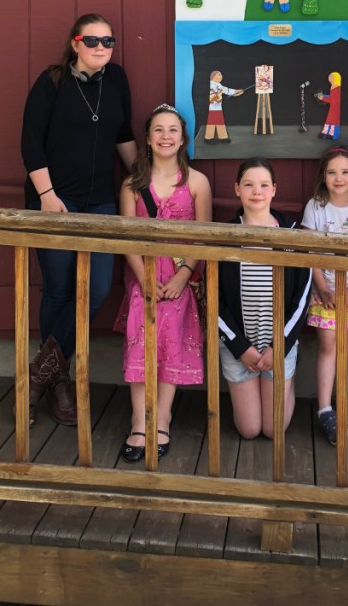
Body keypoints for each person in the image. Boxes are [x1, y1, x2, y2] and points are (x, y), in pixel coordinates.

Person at [21, 13, 137, 427]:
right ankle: (59, 383)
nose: (102, 48)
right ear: (75, 43)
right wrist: (47, 197)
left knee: (97, 287)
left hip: (101, 200)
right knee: (57, 288)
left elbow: (123, 133)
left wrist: (143, 179)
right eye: (93, 41)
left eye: (108, 41)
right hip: (55, 200)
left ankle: (35, 377)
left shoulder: (116, 79)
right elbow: (30, 142)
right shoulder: (51, 82)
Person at [115, 104, 212, 463]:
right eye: (159, 130)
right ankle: (139, 419)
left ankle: (164, 418)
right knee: (141, 341)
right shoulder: (133, 184)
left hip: (180, 278)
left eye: (173, 130)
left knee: (171, 340)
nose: (166, 136)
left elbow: (203, 236)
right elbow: (126, 237)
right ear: (148, 138)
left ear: (184, 138)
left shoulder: (197, 182)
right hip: (143, 276)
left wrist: (184, 275)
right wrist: (144, 279)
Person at [218, 158, 312, 438]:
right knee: (248, 429)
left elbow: (302, 297)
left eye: (263, 185)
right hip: (240, 344)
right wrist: (239, 346)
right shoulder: (225, 235)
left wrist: (279, 346)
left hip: (278, 342)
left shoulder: (292, 236)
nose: (256, 191)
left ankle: (286, 377)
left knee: (273, 430)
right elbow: (214, 299)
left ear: (274, 190)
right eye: (248, 184)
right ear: (237, 189)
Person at [302, 146, 348, 450]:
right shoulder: (316, 207)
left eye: (345, 171)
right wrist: (321, 287)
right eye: (332, 172)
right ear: (323, 175)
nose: (339, 177)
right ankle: (325, 410)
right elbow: (309, 250)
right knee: (328, 344)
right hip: (326, 290)